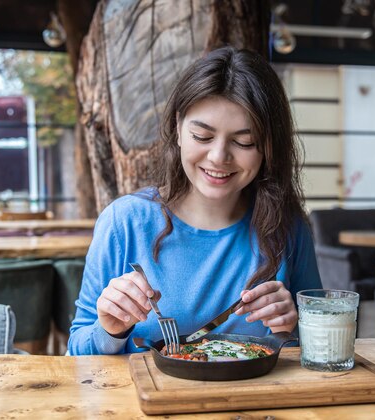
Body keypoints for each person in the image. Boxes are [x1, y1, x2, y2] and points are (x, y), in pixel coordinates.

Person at [68, 46, 322, 355]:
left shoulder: (288, 226)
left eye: (244, 142)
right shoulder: (125, 222)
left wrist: (292, 329)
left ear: (268, 147)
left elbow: (322, 349)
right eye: (202, 137)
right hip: (143, 402)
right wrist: (109, 330)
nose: (218, 157)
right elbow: (76, 353)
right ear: (177, 129)